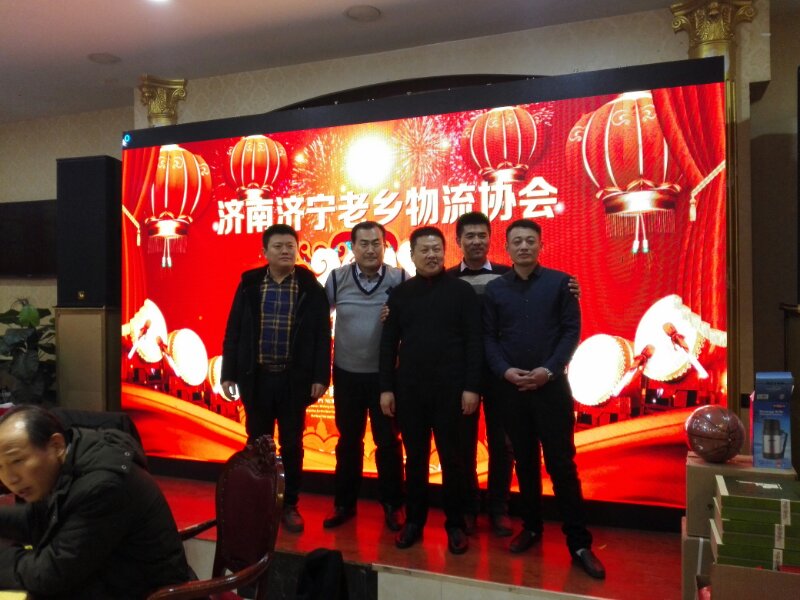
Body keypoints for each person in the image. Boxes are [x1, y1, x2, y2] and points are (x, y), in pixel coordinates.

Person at [483, 219, 605, 579]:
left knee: (562, 466)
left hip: (550, 389)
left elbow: (571, 331)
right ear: (507, 248)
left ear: (540, 245)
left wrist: (549, 371)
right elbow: (488, 337)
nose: (523, 246)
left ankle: (579, 543)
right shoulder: (495, 290)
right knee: (524, 463)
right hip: (512, 390)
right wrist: (505, 371)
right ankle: (532, 527)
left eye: (530, 241)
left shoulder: (561, 284)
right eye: (517, 241)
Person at [0, 405, 191, 599]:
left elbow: (51, 573)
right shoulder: (69, 461)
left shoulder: (102, 486)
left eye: (17, 461)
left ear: (56, 445)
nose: (10, 478)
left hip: (139, 591)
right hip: (103, 579)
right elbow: (37, 518)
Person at [221, 223, 331, 534]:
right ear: (265, 252)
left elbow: (322, 336)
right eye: (278, 246)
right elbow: (234, 331)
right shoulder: (249, 285)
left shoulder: (310, 287)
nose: (285, 251)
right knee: (257, 444)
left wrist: (320, 376)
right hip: (256, 378)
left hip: (293, 380)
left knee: (292, 445)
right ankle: (258, 501)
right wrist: (228, 373)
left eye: (290, 246)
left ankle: (289, 504)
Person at [379, 226, 481, 555]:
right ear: (412, 255)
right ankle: (414, 521)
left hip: (453, 392)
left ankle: (455, 523)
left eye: (437, 248)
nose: (432, 255)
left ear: (445, 251)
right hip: (410, 391)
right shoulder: (400, 294)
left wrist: (472, 387)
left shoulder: (462, 292)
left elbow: (474, 343)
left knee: (454, 460)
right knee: (416, 460)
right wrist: (386, 388)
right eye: (424, 250)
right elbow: (388, 344)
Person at [322, 221, 405, 532]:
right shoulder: (337, 278)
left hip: (386, 378)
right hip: (347, 375)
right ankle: (344, 504)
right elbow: (319, 319)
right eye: (364, 244)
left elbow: (413, 320)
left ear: (385, 246)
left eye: (376, 243)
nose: (371, 249)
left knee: (388, 442)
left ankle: (393, 505)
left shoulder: (400, 278)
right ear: (352, 248)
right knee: (348, 441)